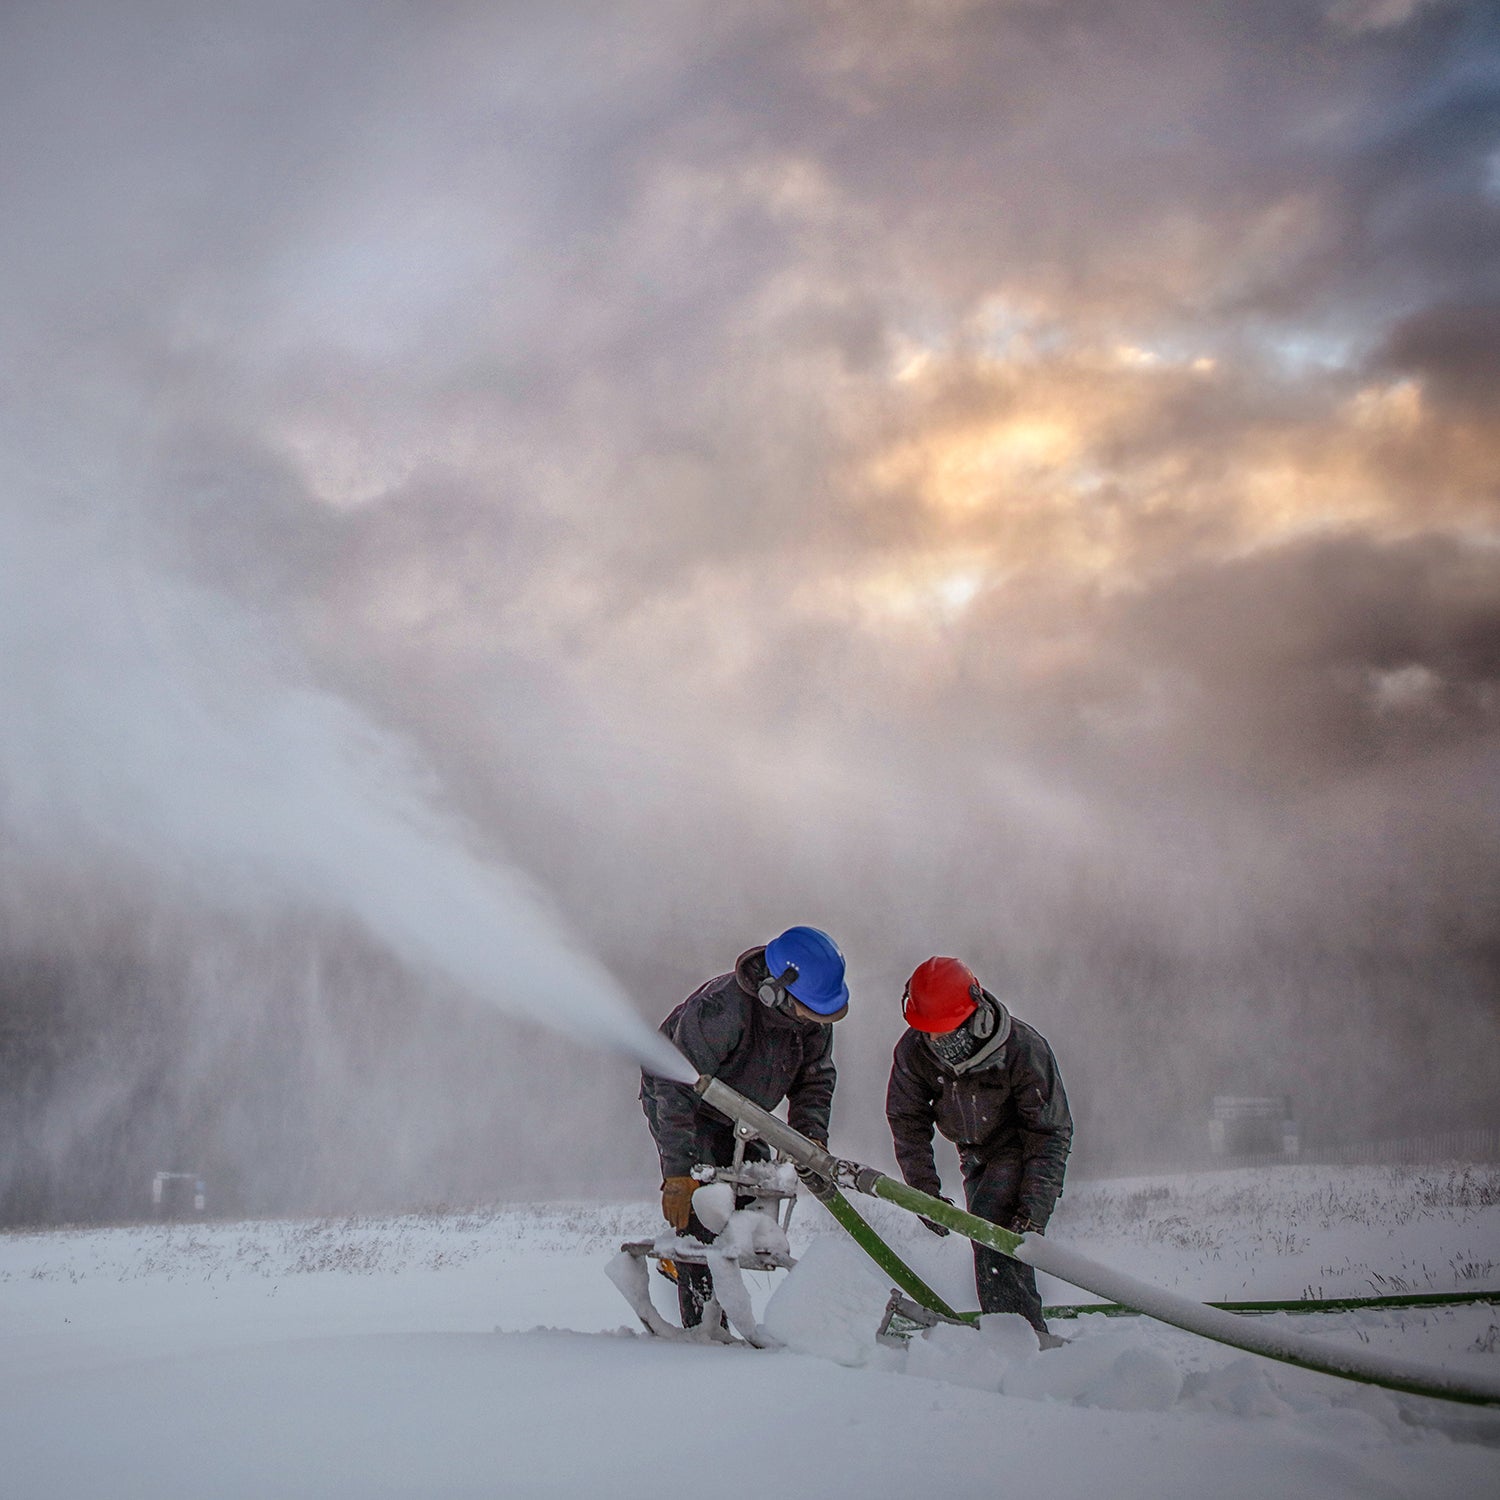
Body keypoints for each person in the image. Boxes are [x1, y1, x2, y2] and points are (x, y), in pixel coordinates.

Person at [640, 925, 848, 1327]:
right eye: (811, 1010)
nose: (816, 1021)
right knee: (704, 1207)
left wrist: (810, 1136)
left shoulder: (810, 1018)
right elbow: (673, 1087)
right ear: (777, 991)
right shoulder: (721, 1010)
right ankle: (704, 1330)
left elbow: (815, 1079)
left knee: (755, 1196)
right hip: (687, 1105)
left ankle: (704, 1281)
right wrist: (679, 1174)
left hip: (744, 1112)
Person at [886, 955, 1072, 1344]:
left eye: (945, 1032)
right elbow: (907, 1122)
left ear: (976, 1017)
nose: (935, 1042)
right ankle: (1014, 1333)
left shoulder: (1024, 1049)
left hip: (1020, 1147)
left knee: (996, 1234)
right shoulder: (913, 1053)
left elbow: (1050, 1133)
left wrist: (1034, 1211)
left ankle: (1018, 1340)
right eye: (928, 1032)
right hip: (973, 1152)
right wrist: (924, 1193)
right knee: (990, 1244)